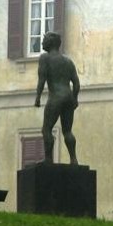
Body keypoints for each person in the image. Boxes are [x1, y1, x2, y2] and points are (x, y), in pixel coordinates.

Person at [34, 32, 80, 164]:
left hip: (56, 98)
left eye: (44, 40)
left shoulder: (45, 58)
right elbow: (76, 83)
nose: (42, 42)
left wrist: (37, 97)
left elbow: (42, 80)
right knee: (67, 131)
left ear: (51, 42)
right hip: (68, 97)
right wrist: (75, 99)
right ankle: (73, 158)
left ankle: (48, 159)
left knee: (46, 129)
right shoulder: (68, 61)